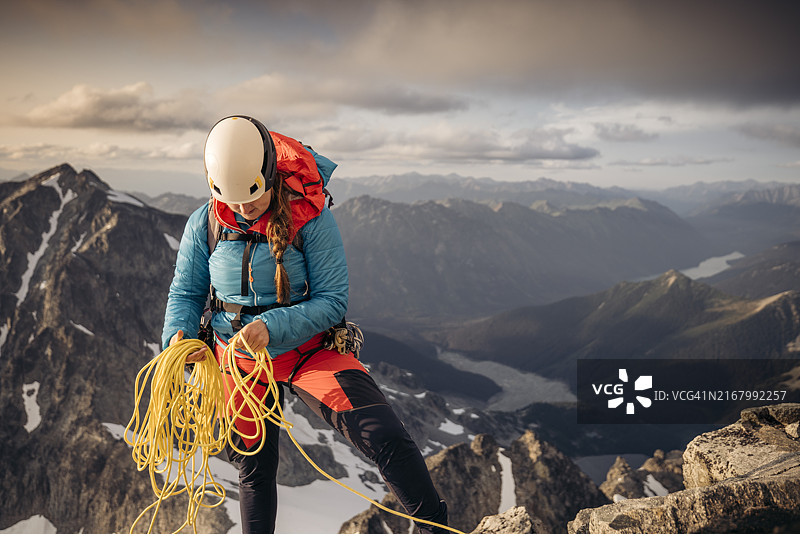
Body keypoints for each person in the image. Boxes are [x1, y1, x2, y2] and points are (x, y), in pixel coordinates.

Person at [161, 115, 449, 534]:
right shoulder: (205, 223)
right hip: (237, 360)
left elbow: (333, 302)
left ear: (270, 174)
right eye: (232, 201)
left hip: (307, 350)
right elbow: (186, 294)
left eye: (252, 198)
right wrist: (178, 337)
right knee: (253, 471)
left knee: (384, 435)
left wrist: (272, 327)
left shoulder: (310, 218)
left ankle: (437, 530)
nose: (242, 210)